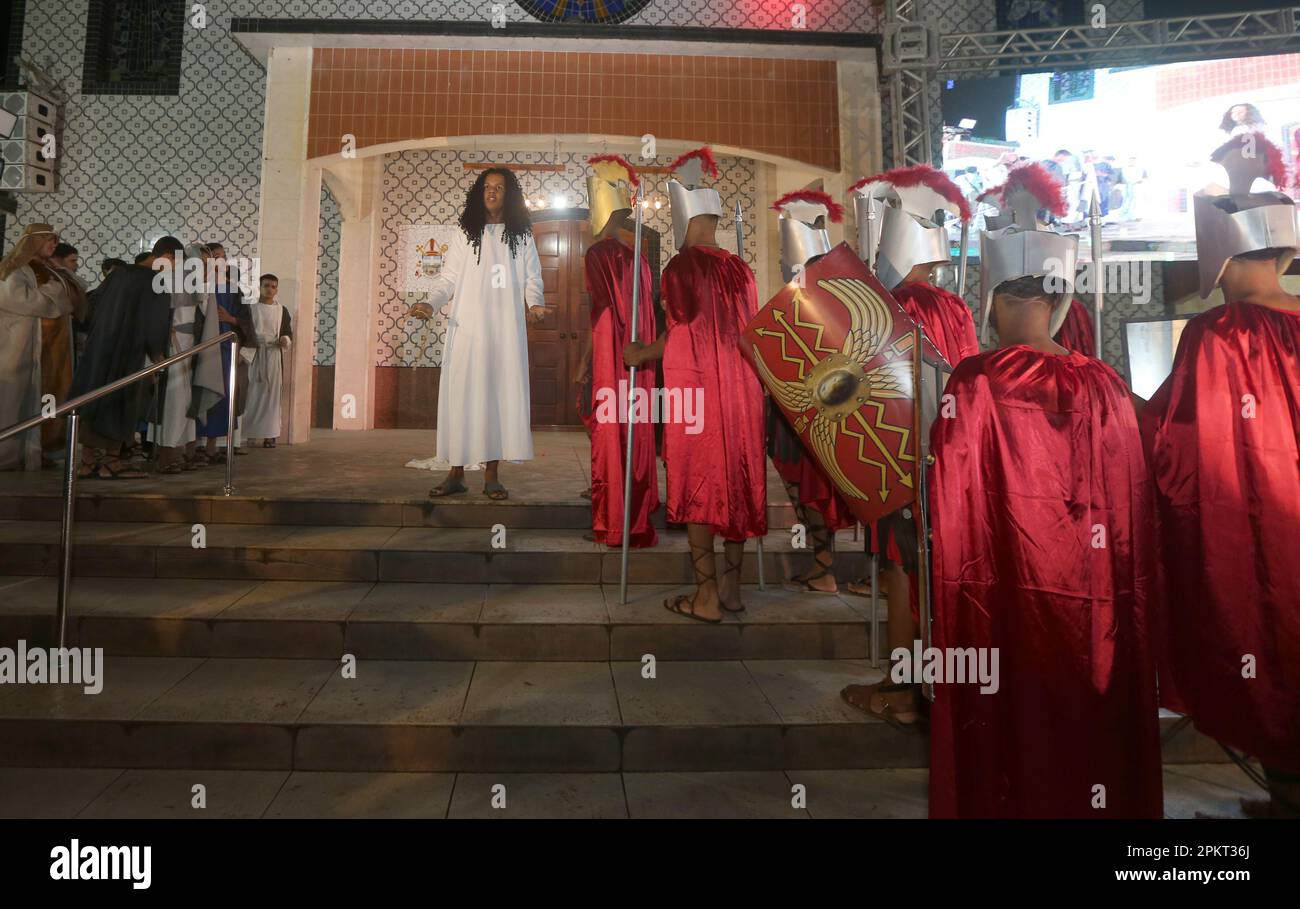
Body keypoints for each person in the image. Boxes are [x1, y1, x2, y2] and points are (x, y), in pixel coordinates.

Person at [927, 193, 1162, 817]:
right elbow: (1133, 501)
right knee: (1083, 709)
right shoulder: (1106, 383)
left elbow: (949, 492)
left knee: (1013, 709)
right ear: (1059, 304)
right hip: (1092, 599)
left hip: (1003, 592)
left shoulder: (975, 379)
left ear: (997, 301)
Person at [1143, 132, 1300, 818]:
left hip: (1263, 548)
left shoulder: (1220, 335)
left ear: (1225, 256)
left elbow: (1172, 448)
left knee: (1267, 658)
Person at [841, 164, 980, 713]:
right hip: (950, 457)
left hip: (905, 459)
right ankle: (930, 687)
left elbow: (872, 388)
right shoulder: (956, 307)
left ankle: (904, 690)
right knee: (932, 568)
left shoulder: (895, 308)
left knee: (902, 569)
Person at [623, 147, 767, 621]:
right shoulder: (741, 269)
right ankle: (733, 589)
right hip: (743, 393)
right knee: (738, 479)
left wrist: (640, 353)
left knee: (701, 484)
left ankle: (705, 597)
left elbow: (681, 332)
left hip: (699, 392)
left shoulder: (679, 268)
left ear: (685, 221)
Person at [409, 167, 546, 500]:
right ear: (478, 193)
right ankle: (455, 473)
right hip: (467, 328)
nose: (492, 192)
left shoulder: (521, 235)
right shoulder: (465, 233)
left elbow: (533, 278)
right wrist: (430, 303)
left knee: (497, 398)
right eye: (487, 187)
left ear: (509, 195)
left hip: (504, 332)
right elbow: (448, 279)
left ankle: (491, 475)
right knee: (462, 397)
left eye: (499, 188)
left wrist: (535, 305)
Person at [768, 190, 855, 593]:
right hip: (802, 410)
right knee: (811, 493)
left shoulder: (819, 298)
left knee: (815, 492)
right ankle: (823, 566)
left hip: (814, 413)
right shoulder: (831, 295)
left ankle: (825, 569)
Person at [578, 154, 659, 547]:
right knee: (635, 432)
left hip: (614, 360)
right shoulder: (637, 256)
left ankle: (612, 519)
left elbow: (604, 315)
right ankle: (636, 517)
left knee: (610, 434)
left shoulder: (598, 254)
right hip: (637, 360)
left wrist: (589, 363)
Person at [68, 236, 176, 479]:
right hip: (128, 351)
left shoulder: (118, 274)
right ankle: (111, 462)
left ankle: (86, 461)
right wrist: (157, 353)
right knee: (121, 401)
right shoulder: (154, 280)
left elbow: (90, 306)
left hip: (100, 347)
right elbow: (155, 321)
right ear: (167, 256)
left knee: (94, 398)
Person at [0, 224, 80, 471]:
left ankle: (38, 451)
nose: (53, 245)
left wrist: (58, 285)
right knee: (13, 403)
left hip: (50, 350)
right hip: (19, 346)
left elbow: (75, 294)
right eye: (48, 240)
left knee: (44, 402)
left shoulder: (50, 269)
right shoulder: (13, 268)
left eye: (55, 241)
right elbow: (17, 299)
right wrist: (55, 294)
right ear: (32, 241)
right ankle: (8, 455)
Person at [197, 242, 251, 461]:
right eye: (215, 256)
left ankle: (212, 446)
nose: (220, 260)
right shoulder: (199, 286)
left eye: (223, 256)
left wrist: (231, 319)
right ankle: (195, 446)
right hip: (204, 347)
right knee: (201, 394)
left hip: (226, 348)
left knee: (222, 398)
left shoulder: (233, 289)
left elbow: (246, 320)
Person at [240, 274, 292, 448]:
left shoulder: (281, 310)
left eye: (273, 286)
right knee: (252, 393)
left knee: (272, 396)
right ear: (260, 287)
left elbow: (286, 332)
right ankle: (249, 432)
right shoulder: (250, 309)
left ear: (277, 290)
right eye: (267, 285)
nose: (270, 289)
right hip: (255, 354)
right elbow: (245, 332)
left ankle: (270, 435)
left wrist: (285, 340)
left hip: (274, 355)